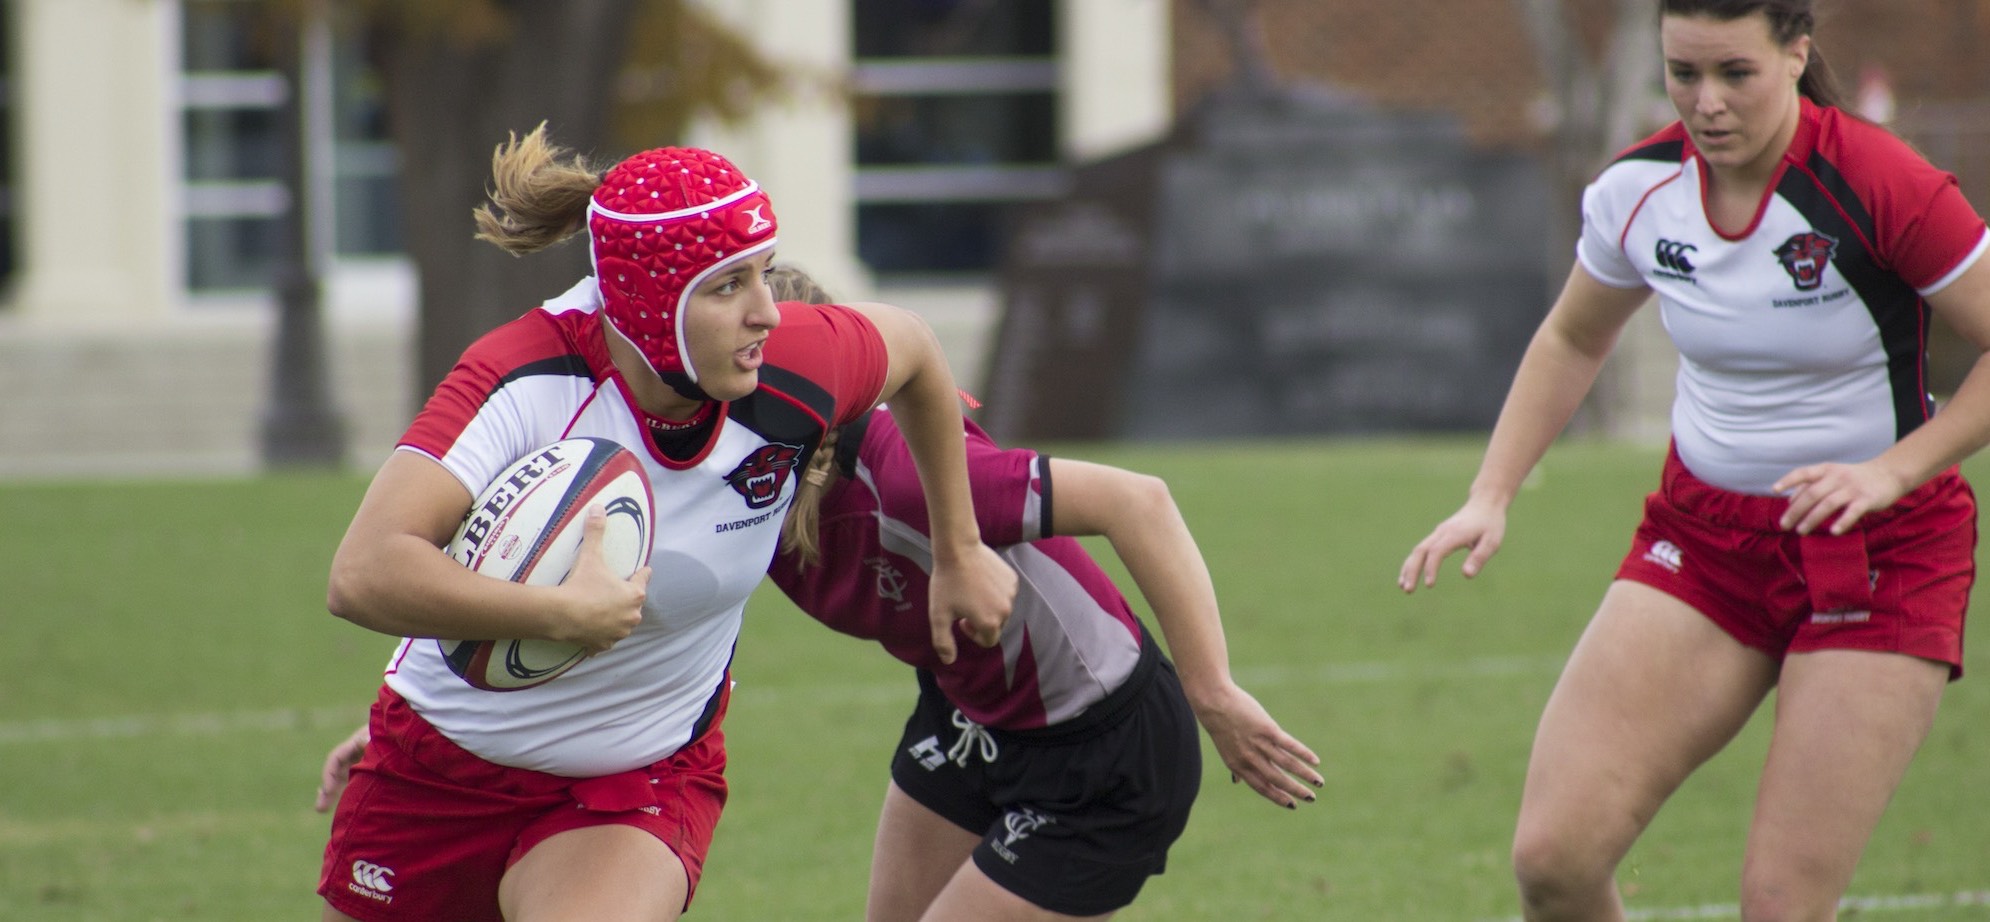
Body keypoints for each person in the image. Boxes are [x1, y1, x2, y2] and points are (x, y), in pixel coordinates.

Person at [319, 265, 1322, 921]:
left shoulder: (904, 485)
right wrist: (427, 710)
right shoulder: (734, 492)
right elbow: (613, 604)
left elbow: (1140, 500)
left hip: (1103, 745)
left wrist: (1214, 691)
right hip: (969, 714)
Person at [315, 126, 1017, 922]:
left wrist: (959, 551)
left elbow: (917, 351)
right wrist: (560, 614)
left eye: (763, 274)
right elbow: (363, 572)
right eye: (727, 287)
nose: (767, 314)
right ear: (650, 306)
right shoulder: (524, 379)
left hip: (634, 780)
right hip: (437, 770)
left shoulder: (792, 366)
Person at [1399, 2, 1990, 920]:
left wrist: (1890, 472)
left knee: (1780, 905)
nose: (1706, 104)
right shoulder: (1637, 192)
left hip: (1884, 550)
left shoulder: (1879, 182)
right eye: (1684, 74)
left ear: (1797, 56)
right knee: (1555, 859)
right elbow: (1571, 338)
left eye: (1735, 74)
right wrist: (1491, 493)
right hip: (1705, 541)